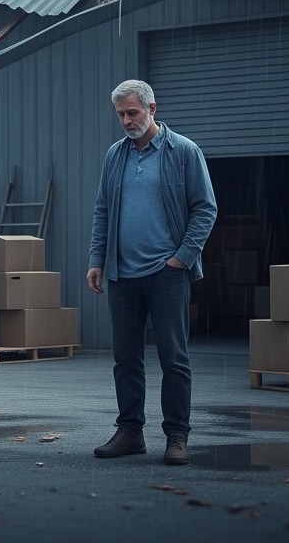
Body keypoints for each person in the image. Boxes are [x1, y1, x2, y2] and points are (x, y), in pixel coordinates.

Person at [87, 79, 216, 466]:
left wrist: (182, 258)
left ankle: (177, 436)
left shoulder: (184, 152)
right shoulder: (115, 155)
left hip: (167, 274)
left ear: (152, 109)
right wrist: (97, 259)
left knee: (174, 358)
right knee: (125, 358)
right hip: (121, 274)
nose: (126, 121)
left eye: (133, 112)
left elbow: (205, 209)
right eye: (121, 115)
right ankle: (130, 432)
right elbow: (103, 211)